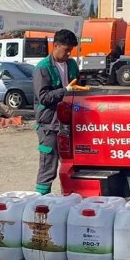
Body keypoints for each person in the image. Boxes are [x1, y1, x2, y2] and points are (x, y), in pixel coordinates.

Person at [32, 29, 88, 195]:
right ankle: (41, 201)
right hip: (49, 124)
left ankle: (70, 197)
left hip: (68, 122)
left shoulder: (71, 64)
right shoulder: (42, 68)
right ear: (55, 46)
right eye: (66, 50)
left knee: (72, 163)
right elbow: (44, 97)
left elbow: (77, 85)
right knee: (48, 165)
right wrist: (66, 90)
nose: (68, 54)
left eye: (71, 50)